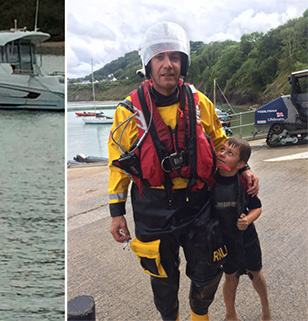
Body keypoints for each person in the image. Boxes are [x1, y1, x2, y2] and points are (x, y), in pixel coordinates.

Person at [106, 22, 259, 320]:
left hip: (199, 204)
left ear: (183, 63)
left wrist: (244, 170)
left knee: (208, 272)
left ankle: (198, 315)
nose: (167, 65)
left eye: (174, 57)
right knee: (163, 281)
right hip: (152, 207)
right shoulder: (127, 112)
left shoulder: (199, 102)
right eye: (160, 58)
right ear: (148, 64)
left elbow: (220, 141)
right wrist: (116, 212)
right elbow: (118, 165)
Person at [212, 138, 270, 321]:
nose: (222, 154)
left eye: (230, 153)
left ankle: (266, 308)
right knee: (230, 277)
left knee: (256, 274)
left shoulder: (245, 183)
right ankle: (230, 313)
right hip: (225, 239)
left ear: (241, 164)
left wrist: (248, 219)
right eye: (222, 149)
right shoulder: (210, 180)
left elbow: (257, 207)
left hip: (247, 238)